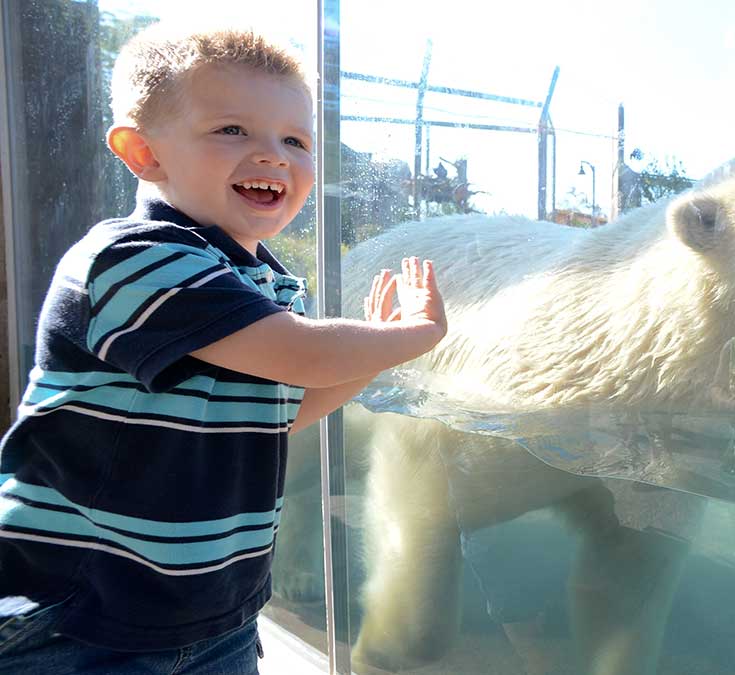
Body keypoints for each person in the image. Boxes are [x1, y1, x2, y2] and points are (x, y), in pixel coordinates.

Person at [0, 23, 446, 674]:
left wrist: (373, 354)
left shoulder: (262, 281)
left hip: (214, 615)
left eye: (295, 140)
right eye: (232, 130)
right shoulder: (131, 259)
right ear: (142, 152)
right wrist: (411, 335)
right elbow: (300, 353)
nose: (273, 155)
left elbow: (280, 411)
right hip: (80, 612)